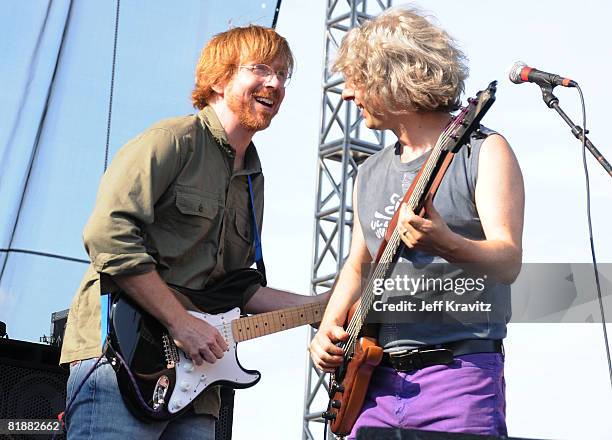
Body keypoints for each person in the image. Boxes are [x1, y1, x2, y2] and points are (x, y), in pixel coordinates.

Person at [61, 25, 325, 439]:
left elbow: (235, 289)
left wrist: (318, 306)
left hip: (198, 385)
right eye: (260, 69)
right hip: (120, 360)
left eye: (283, 75)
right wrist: (179, 322)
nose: (275, 83)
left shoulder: (252, 176)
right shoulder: (172, 140)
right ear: (219, 79)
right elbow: (107, 235)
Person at [309, 6, 524, 438]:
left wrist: (445, 242)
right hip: (372, 383)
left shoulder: (485, 151)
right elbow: (358, 264)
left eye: (357, 80)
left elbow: (508, 262)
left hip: (459, 375)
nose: (347, 95)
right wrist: (328, 329)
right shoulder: (368, 172)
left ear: (392, 79)